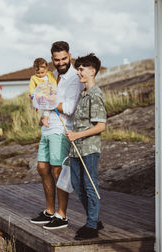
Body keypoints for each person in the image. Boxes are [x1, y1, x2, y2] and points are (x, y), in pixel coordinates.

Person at [30, 41, 83, 230]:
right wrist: (40, 103)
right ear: (51, 59)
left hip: (61, 130)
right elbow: (39, 99)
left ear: (69, 56)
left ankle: (62, 215)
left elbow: (69, 109)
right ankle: (49, 211)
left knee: (57, 170)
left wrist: (48, 101)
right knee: (42, 168)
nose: (61, 62)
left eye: (64, 58)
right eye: (56, 59)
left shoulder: (75, 78)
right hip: (46, 128)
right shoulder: (50, 76)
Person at [65, 53, 107, 240]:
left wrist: (77, 135)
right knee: (76, 185)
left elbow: (101, 125)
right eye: (78, 69)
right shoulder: (83, 94)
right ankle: (95, 218)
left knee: (90, 186)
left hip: (89, 149)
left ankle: (92, 226)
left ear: (92, 71)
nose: (78, 72)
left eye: (81, 69)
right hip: (76, 150)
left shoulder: (95, 94)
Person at [29, 58, 57, 127]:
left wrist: (54, 91)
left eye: (42, 72)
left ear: (46, 69)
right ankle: (45, 119)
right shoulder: (33, 78)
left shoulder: (50, 74)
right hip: (40, 95)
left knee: (49, 105)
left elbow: (54, 82)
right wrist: (33, 96)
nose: (40, 75)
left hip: (49, 94)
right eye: (37, 73)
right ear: (34, 70)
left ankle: (42, 118)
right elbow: (31, 88)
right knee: (47, 107)